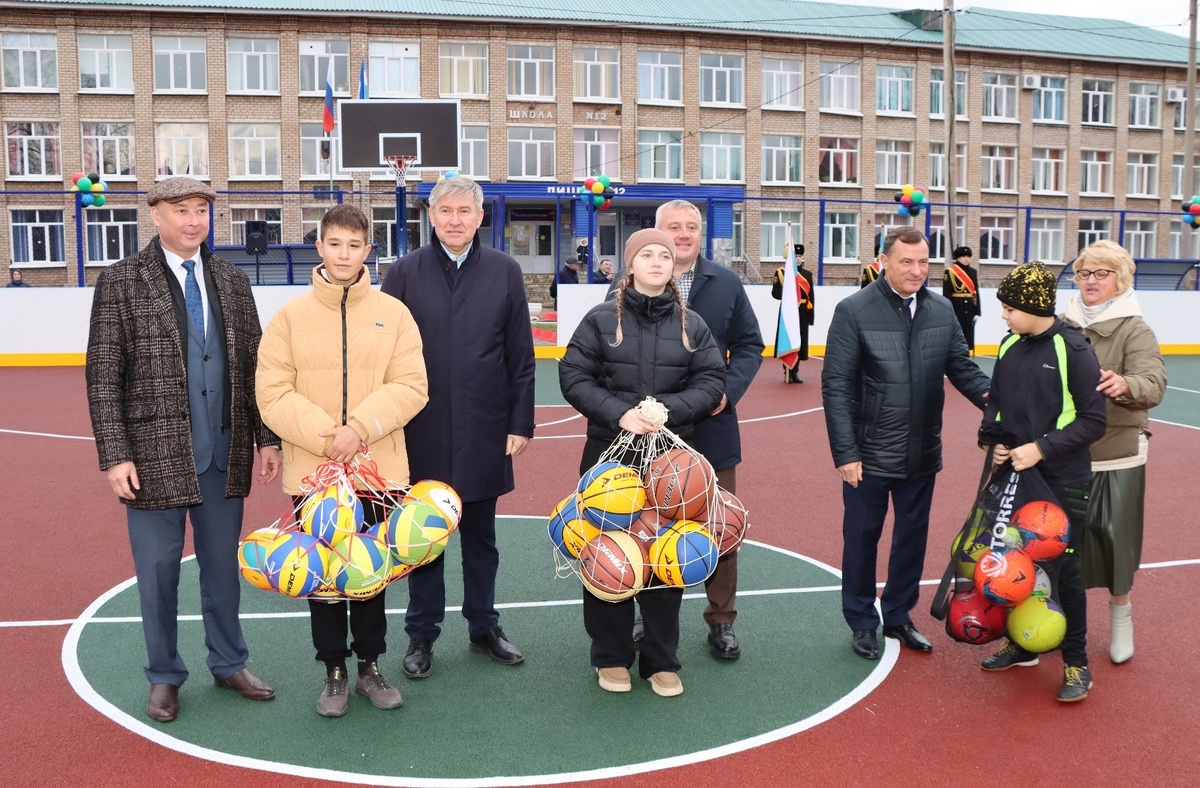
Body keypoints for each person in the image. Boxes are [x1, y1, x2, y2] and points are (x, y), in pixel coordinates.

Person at [85, 176, 281, 723]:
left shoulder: (232, 280)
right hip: (152, 457)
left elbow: (254, 367)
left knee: (221, 571)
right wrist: (115, 454)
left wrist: (266, 438)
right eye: (181, 210)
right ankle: (165, 675)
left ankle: (229, 662)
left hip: (222, 453)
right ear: (155, 215)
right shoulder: (121, 281)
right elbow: (103, 375)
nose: (193, 220)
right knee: (157, 574)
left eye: (201, 210)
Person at [255, 204, 429, 717]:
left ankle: (370, 665)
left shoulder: (394, 314)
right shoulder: (290, 318)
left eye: (355, 245)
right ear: (320, 247)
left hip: (379, 470)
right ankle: (333, 670)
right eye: (335, 244)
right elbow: (272, 392)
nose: (344, 254)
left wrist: (360, 429)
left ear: (368, 251)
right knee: (323, 577)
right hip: (315, 473)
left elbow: (411, 386)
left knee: (368, 571)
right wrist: (328, 437)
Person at [380, 176, 536, 679]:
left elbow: (520, 354)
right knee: (422, 541)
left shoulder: (505, 271)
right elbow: (382, 355)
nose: (454, 220)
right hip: (419, 429)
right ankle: (421, 634)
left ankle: (483, 626)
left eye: (464, 211)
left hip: (485, 426)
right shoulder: (404, 272)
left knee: (481, 540)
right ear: (430, 216)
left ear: (480, 217)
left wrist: (520, 421)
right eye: (445, 211)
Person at [559, 229, 726, 697]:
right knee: (607, 553)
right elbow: (573, 374)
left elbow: (712, 380)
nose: (656, 262)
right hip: (610, 455)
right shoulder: (600, 320)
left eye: (664, 256)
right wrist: (620, 413)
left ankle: (660, 659)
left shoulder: (693, 325)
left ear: (675, 267)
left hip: (672, 463)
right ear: (629, 265)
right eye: (646, 255)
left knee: (665, 556)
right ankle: (610, 656)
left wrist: (666, 411)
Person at [822, 226, 990, 661]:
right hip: (868, 454)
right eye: (907, 262)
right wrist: (846, 452)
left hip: (921, 452)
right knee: (862, 539)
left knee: (912, 539)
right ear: (884, 262)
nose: (917, 270)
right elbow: (836, 385)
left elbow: (962, 369)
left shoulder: (941, 310)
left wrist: (999, 402)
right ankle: (862, 621)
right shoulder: (854, 310)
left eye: (923, 262)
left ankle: (898, 614)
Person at [630, 199, 763, 660]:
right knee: (647, 525)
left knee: (720, 526)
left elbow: (750, 345)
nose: (683, 234)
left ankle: (721, 619)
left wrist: (728, 391)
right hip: (650, 434)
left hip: (711, 426)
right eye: (674, 227)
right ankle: (648, 616)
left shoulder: (726, 283)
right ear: (657, 232)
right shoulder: (628, 283)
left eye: (691, 227)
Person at [977, 260, 1106, 702]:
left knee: (1064, 571)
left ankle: (1077, 663)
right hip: (1015, 476)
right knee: (1016, 564)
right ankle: (1024, 643)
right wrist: (993, 440)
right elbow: (995, 401)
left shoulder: (1074, 349)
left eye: (1010, 308)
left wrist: (1042, 448)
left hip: (1062, 479)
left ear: (1034, 307)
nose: (1004, 315)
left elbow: (1094, 420)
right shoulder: (1010, 343)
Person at [1062, 241, 1167, 665]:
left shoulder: (1135, 329)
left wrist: (1125, 384)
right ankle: (1054, 619)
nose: (1091, 281)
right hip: (1065, 452)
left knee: (1115, 541)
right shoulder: (1061, 323)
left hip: (1117, 451)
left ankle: (1121, 615)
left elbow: (1153, 384)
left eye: (1101, 273)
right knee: (1056, 542)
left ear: (1120, 279)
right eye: (1085, 272)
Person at [770, 243, 815, 384]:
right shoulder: (782, 273)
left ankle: (795, 372)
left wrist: (811, 316)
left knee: (799, 341)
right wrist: (788, 292)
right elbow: (775, 293)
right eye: (796, 256)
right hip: (788, 311)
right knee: (788, 340)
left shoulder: (807, 275)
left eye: (800, 256)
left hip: (802, 312)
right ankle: (787, 371)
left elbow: (811, 297)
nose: (798, 259)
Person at [942, 246, 981, 354]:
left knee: (968, 333)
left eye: (968, 256)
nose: (966, 259)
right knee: (957, 333)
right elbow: (946, 293)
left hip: (969, 307)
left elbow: (975, 292)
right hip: (956, 307)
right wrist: (947, 311)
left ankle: (966, 354)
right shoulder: (950, 271)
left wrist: (977, 311)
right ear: (957, 258)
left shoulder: (973, 272)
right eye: (963, 256)